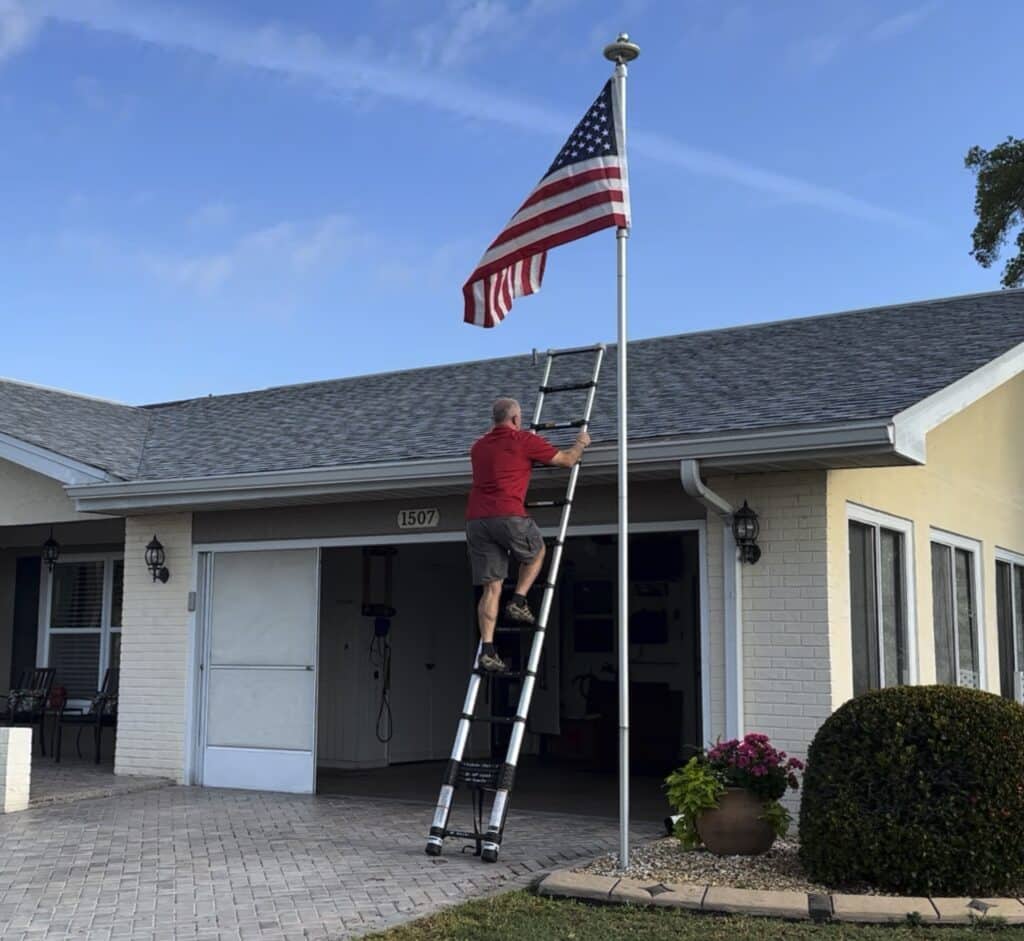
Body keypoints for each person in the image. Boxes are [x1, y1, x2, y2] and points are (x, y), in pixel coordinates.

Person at [466, 396, 591, 672]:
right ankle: (519, 601)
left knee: (492, 587)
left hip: (477, 520)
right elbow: (567, 460)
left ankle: (487, 649)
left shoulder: (478, 447)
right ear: (515, 419)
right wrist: (581, 442)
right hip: (508, 514)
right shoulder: (523, 441)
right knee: (537, 552)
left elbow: (492, 445)